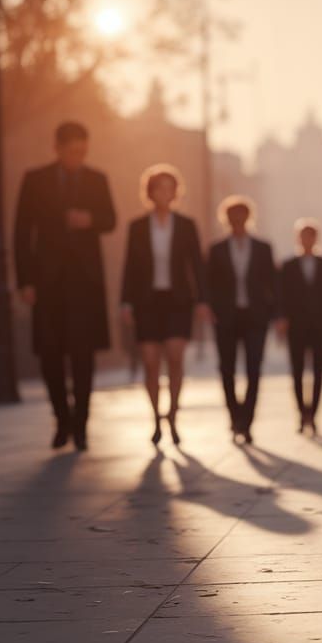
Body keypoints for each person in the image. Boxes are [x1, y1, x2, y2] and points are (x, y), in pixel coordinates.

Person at [13, 121, 117, 451]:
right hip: (47, 282)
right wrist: (25, 281)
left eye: (83, 152)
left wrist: (90, 220)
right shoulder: (35, 179)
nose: (78, 157)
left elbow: (110, 219)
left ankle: (82, 424)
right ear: (57, 148)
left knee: (83, 355)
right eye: (73, 151)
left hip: (85, 283)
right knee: (50, 353)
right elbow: (21, 232)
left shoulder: (97, 179)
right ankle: (62, 418)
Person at [120, 165, 210, 445]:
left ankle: (173, 414)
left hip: (177, 301)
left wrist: (202, 300)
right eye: (159, 188)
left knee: (175, 358)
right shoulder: (137, 227)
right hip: (146, 302)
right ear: (150, 192)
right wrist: (125, 303)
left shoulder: (186, 225)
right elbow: (130, 267)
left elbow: (197, 265)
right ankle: (155, 418)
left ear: (175, 193)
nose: (164, 193)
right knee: (150, 362)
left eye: (169, 188)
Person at [208, 196, 278, 444]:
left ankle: (246, 422)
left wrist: (275, 315)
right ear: (225, 218)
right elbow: (209, 284)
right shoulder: (216, 249)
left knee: (253, 369)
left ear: (249, 217)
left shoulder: (263, 248)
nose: (237, 219)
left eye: (241, 215)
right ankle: (234, 416)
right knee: (226, 369)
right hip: (225, 318)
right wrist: (210, 308)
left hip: (255, 317)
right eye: (232, 215)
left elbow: (273, 284)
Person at [277, 218, 322, 435]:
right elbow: (281, 296)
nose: (306, 240)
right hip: (296, 326)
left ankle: (313, 415)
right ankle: (301, 413)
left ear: (315, 238)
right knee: (296, 371)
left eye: (310, 236)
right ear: (298, 238)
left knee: (319, 371)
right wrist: (281, 320)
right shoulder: (287, 266)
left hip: (320, 327)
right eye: (303, 236)